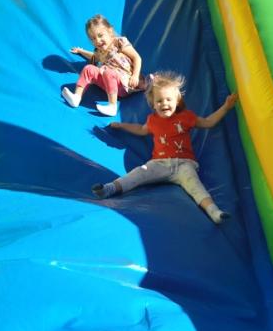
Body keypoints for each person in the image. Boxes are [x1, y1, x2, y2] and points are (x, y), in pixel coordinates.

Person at [92, 71, 238, 223]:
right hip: (159, 163)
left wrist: (226, 107)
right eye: (159, 101)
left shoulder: (186, 117)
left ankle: (214, 212)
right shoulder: (152, 120)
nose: (164, 104)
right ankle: (109, 188)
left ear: (177, 100)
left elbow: (208, 122)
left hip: (184, 164)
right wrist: (122, 125)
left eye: (169, 99)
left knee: (196, 187)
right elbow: (141, 130)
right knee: (138, 173)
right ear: (153, 104)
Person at [62, 14, 143, 117]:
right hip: (109, 84)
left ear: (110, 31)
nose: (97, 41)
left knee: (108, 72)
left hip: (124, 84)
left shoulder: (119, 42)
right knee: (88, 68)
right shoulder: (99, 51)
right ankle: (76, 98)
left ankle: (112, 106)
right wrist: (81, 51)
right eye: (93, 39)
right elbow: (93, 57)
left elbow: (137, 58)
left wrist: (135, 75)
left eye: (100, 35)